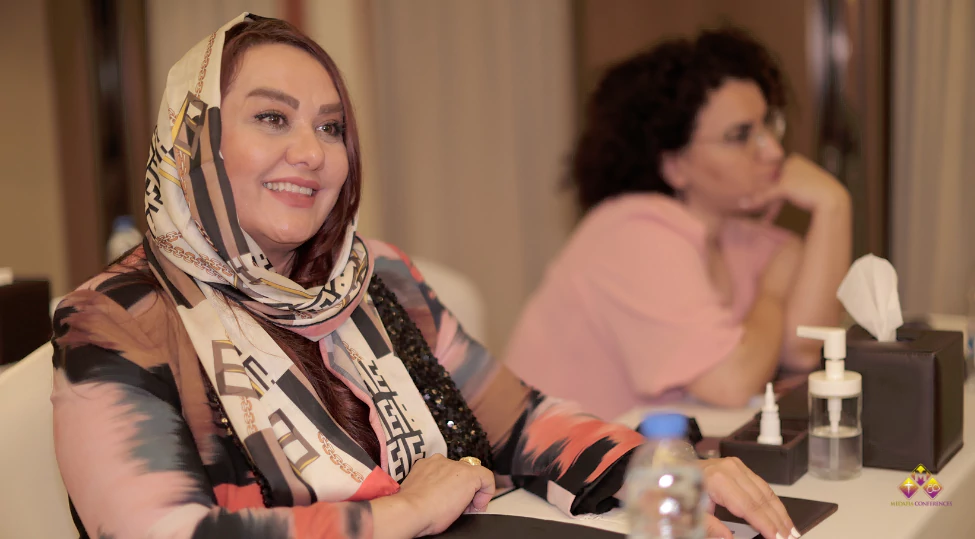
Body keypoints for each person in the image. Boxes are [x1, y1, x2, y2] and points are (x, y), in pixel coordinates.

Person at [51, 14, 797, 539]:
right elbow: (158, 530)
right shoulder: (116, 318)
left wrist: (663, 469)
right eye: (272, 119)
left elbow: (521, 419)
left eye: (331, 126)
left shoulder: (378, 278)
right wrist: (398, 514)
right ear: (195, 138)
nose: (311, 152)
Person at [504, 28, 852, 418]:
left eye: (770, 125)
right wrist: (770, 294)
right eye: (741, 135)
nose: (773, 151)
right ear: (675, 165)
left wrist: (833, 207)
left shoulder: (746, 237)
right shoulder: (633, 235)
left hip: (653, 459)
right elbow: (730, 383)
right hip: (554, 472)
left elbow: (804, 350)